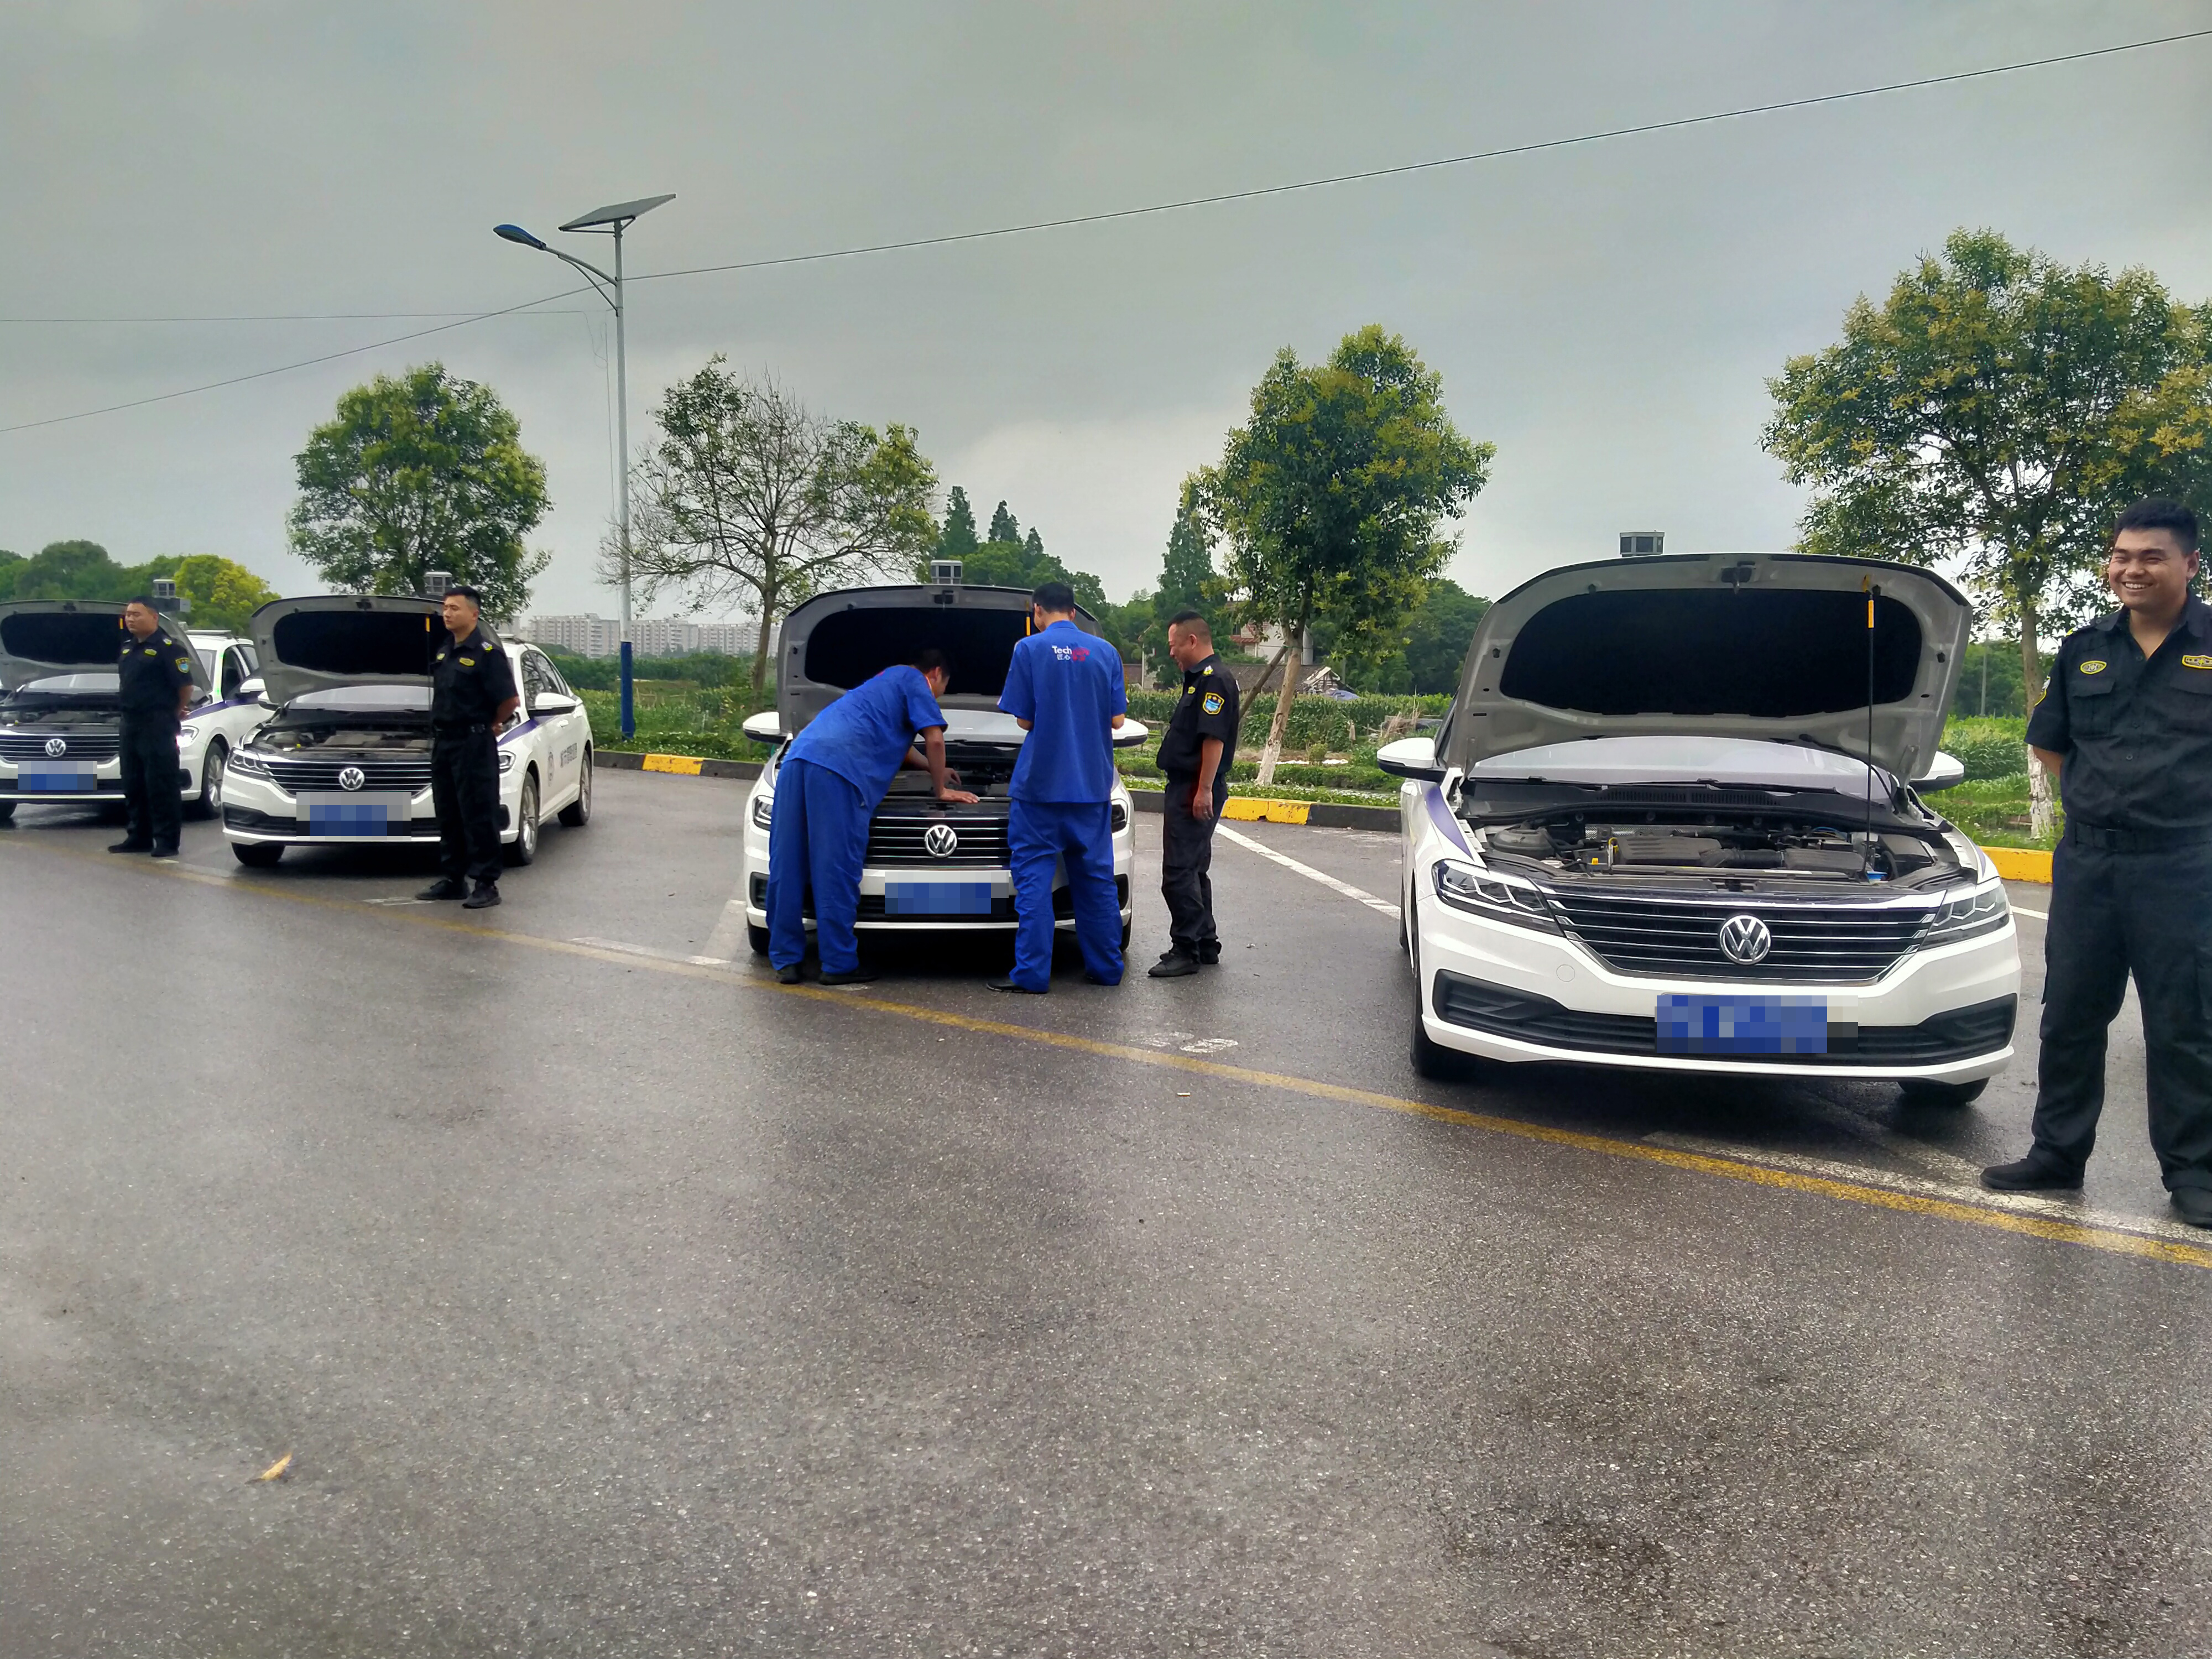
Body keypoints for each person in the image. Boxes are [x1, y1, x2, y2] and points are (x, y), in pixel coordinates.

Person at [1983, 498, 2212, 1229]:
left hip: (2184, 865)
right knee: (2070, 1015)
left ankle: (2194, 1173)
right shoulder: (2084, 648)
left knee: (2185, 1025)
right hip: (2089, 864)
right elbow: (2049, 743)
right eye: (2120, 556)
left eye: (2150, 557)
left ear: (2189, 564)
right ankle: (2057, 1155)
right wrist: (2096, 798)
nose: (2130, 569)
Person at [766, 649, 977, 986]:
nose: (939, 695)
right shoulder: (916, 681)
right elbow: (935, 739)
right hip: (838, 770)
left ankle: (785, 960)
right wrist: (941, 790)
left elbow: (900, 746)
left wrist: (933, 768)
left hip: (798, 761)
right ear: (936, 673)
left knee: (788, 863)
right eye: (943, 688)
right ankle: (838, 964)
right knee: (834, 868)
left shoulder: (884, 681)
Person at [992, 581, 1126, 993]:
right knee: (1096, 882)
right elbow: (1118, 721)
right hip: (1090, 787)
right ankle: (1106, 970)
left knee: (1034, 883)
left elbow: (1024, 720)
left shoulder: (1028, 649)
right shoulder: (1106, 652)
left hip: (1040, 788)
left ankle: (1032, 975)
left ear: (1037, 611)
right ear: (1072, 611)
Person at [416, 585, 519, 910]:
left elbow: (509, 701)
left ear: (474, 614)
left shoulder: (487, 654)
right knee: (449, 813)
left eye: (454, 608)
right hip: (445, 742)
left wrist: (491, 724)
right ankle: (453, 879)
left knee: (478, 813)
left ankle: (486, 884)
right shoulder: (445, 651)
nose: (447, 614)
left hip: (473, 743)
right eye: (445, 608)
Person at [1149, 611, 1239, 978]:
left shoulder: (1213, 680)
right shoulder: (1200, 679)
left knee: (1178, 872)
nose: (1171, 653)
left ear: (1192, 641)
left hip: (1193, 786)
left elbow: (1213, 739)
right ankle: (1205, 942)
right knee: (1195, 869)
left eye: (1174, 646)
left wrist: (1203, 790)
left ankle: (1185, 948)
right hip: (1191, 784)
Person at [108, 597, 196, 860]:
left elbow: (185, 686)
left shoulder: (169, 648)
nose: (131, 619)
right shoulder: (127, 648)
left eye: (137, 614)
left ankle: (167, 840)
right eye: (128, 615)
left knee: (161, 783)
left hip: (157, 723)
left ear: (154, 617)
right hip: (130, 723)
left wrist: (175, 711)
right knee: (133, 781)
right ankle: (139, 836)